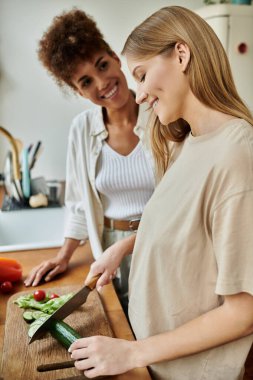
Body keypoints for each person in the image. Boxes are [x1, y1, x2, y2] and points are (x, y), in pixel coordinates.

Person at [68, 6, 253, 380]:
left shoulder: (236, 155)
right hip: (153, 360)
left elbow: (244, 313)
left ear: (181, 55)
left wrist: (132, 352)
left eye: (142, 75)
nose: (137, 97)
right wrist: (121, 247)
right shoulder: (185, 143)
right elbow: (189, 230)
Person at [24, 8, 155, 314]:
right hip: (107, 247)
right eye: (86, 81)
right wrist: (63, 256)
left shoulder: (161, 114)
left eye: (102, 65)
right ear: (77, 91)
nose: (102, 83)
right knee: (118, 326)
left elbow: (181, 201)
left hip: (160, 243)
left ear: (114, 55)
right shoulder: (82, 130)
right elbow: (80, 204)